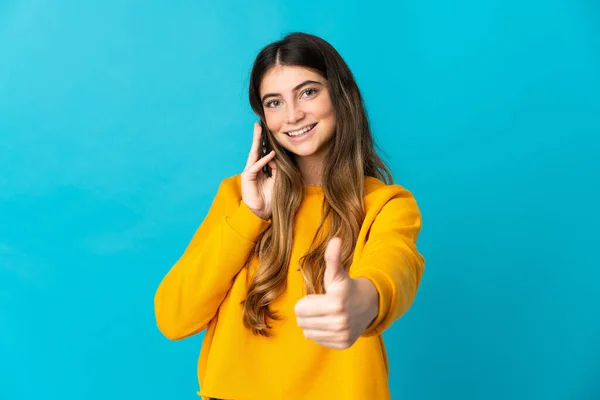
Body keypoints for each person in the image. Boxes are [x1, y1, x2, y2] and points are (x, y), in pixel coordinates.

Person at [154, 32, 425, 400]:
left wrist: (364, 299)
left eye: (308, 92)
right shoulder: (237, 196)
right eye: (274, 102)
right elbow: (174, 317)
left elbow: (396, 265)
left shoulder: (385, 204)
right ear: (263, 117)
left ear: (341, 95)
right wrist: (251, 216)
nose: (293, 115)